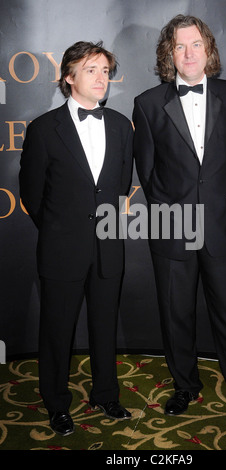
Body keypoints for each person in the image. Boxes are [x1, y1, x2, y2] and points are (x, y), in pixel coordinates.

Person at [133, 14, 226, 422]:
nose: (188, 53)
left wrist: (213, 199)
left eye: (195, 44)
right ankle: (185, 387)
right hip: (172, 227)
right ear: (169, 53)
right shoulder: (147, 104)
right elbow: (147, 173)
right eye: (179, 46)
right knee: (176, 314)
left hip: (221, 224)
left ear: (209, 50)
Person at [19, 41, 133, 436]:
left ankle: (106, 394)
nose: (102, 78)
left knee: (105, 326)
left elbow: (119, 188)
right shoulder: (43, 129)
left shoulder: (121, 125)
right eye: (91, 70)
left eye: (105, 70)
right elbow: (32, 197)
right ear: (69, 77)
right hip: (61, 250)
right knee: (57, 331)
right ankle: (56, 403)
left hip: (108, 247)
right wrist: (62, 230)